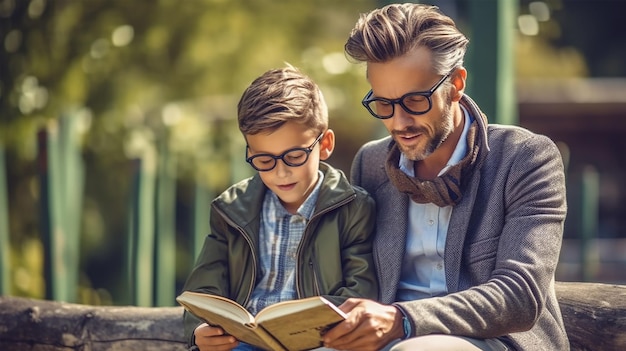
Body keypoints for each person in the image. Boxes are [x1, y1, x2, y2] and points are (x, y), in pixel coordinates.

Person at [322, 3, 568, 351]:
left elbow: (520, 295)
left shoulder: (525, 158)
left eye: (415, 101)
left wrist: (401, 320)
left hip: (497, 341)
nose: (399, 122)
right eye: (383, 104)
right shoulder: (371, 163)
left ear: (456, 84)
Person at [181, 64, 378, 351]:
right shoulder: (231, 210)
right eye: (264, 160)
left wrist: (312, 326)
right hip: (244, 341)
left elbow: (361, 289)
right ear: (249, 153)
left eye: (294, 156)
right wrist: (198, 330)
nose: (280, 172)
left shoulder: (354, 209)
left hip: (318, 342)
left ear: (324, 145)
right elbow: (203, 288)